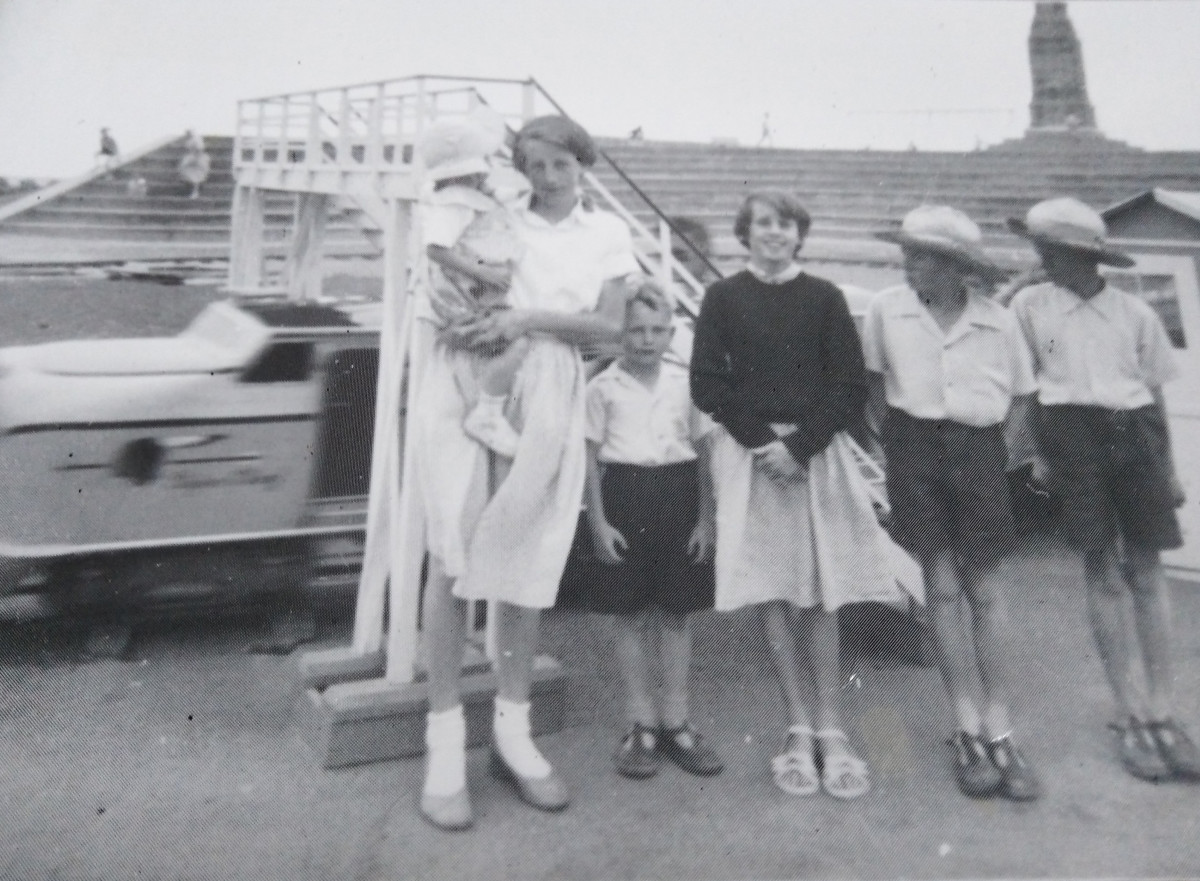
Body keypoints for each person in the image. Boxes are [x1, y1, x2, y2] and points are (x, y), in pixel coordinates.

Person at [413, 114, 639, 832]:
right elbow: (443, 275)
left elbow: (608, 326)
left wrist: (526, 320)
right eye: (533, 165)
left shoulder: (605, 235)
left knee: (526, 556)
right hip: (468, 375)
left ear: (583, 165)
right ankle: (443, 744)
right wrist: (469, 321)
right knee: (452, 554)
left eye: (559, 166)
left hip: (547, 381)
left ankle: (513, 734)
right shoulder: (491, 211)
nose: (545, 179)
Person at [691, 189, 900, 800]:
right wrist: (763, 444)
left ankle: (833, 730)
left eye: (785, 224)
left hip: (815, 456)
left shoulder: (825, 297)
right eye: (762, 224)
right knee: (774, 590)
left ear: (799, 233)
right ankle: (797, 726)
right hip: (754, 457)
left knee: (822, 592)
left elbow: (847, 385)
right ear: (746, 232)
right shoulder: (722, 297)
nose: (774, 233)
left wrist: (799, 447)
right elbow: (708, 383)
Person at [1008, 197, 1199, 783]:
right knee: (1102, 570)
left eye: (1053, 249)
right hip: (1069, 437)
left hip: (1132, 433)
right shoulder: (1028, 306)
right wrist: (1033, 452)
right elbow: (1025, 389)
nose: (1043, 259)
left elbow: (1155, 394)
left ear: (1084, 257)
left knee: (1147, 570)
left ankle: (1164, 712)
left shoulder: (1134, 313)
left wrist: (1166, 466)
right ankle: (1130, 712)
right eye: (1040, 248)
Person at [864, 205, 1042, 801]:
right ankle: (965, 727)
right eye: (907, 254)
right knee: (939, 589)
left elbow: (1020, 398)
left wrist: (996, 458)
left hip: (980, 450)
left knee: (985, 592)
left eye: (920, 256)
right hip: (914, 449)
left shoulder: (998, 321)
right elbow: (873, 383)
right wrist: (894, 443)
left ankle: (1001, 730)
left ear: (954, 267)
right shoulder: (888, 309)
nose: (908, 265)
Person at [580, 280, 721, 780]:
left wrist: (706, 519)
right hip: (623, 497)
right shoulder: (600, 389)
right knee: (630, 615)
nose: (645, 340)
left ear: (671, 334)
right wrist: (598, 523)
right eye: (636, 330)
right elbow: (590, 461)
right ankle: (640, 724)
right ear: (621, 333)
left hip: (678, 497)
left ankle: (677, 722)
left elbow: (704, 456)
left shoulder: (686, 386)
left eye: (657, 331)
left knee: (678, 614)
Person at [414, 112, 527, 458]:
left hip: (477, 288)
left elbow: (507, 195)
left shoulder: (468, 196)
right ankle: (488, 413)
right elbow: (437, 248)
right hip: (465, 294)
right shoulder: (453, 204)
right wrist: (484, 271)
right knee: (519, 340)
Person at [177, 130, 211, 199]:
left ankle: (195, 191)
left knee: (195, 175)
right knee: (185, 169)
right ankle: (189, 189)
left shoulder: (197, 141)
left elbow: (199, 150)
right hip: (192, 158)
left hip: (198, 160)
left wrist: (194, 159)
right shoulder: (189, 141)